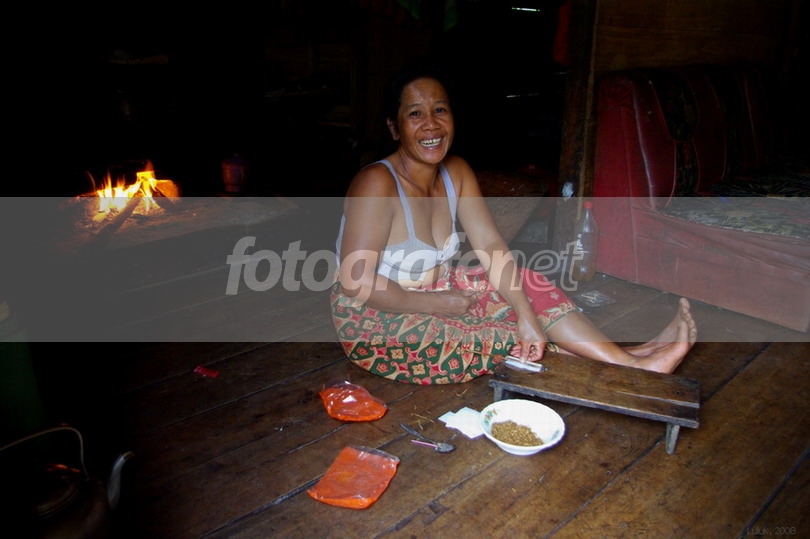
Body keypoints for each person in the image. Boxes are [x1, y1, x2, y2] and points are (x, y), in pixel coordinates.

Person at [330, 62, 697, 384]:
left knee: (527, 284)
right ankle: (628, 364)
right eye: (415, 114)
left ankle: (629, 360)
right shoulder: (376, 183)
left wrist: (525, 314)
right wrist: (436, 304)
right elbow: (355, 280)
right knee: (489, 335)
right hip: (376, 318)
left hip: (440, 290)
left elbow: (491, 247)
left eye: (440, 110)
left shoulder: (456, 172)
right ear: (394, 128)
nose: (431, 125)